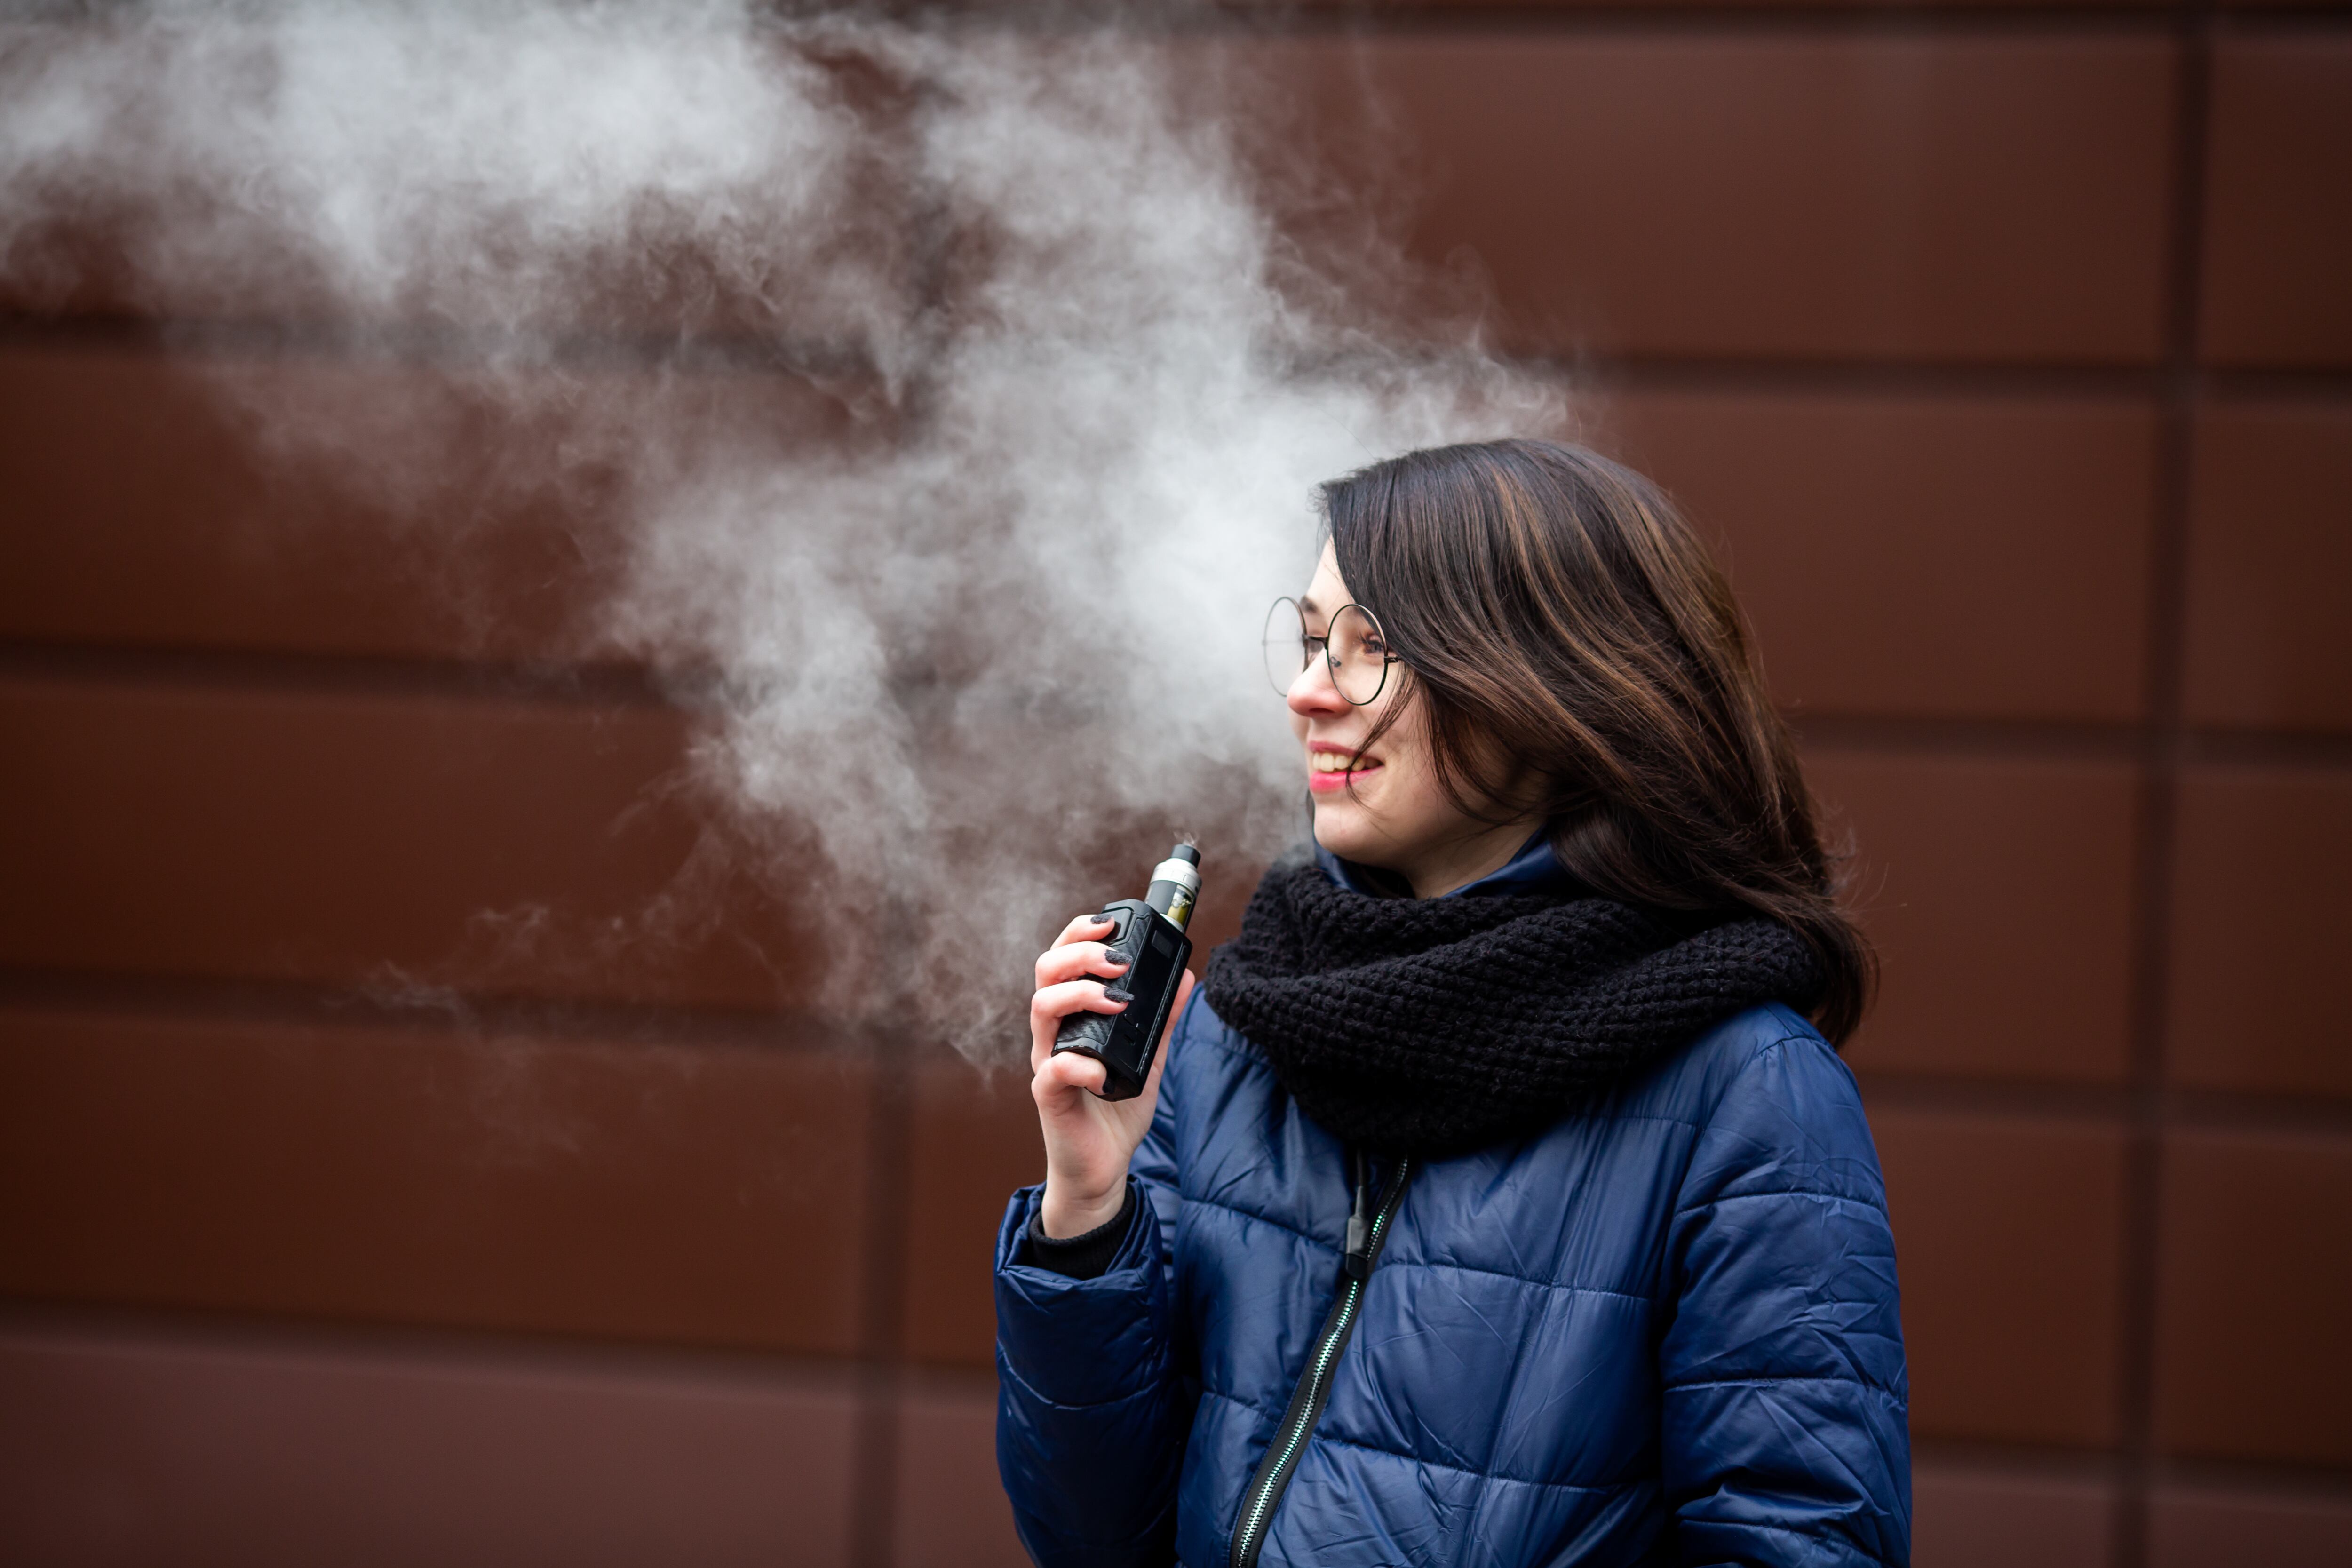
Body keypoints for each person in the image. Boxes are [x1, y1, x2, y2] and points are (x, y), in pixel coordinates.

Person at [994, 439, 1908, 1568]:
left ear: (1550, 680)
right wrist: (1087, 1212)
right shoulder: (1240, 1029)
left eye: (1372, 646)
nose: (1307, 690)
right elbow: (1098, 1539)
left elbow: (1799, 1543)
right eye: (1315, 636)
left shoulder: (1748, 1089)